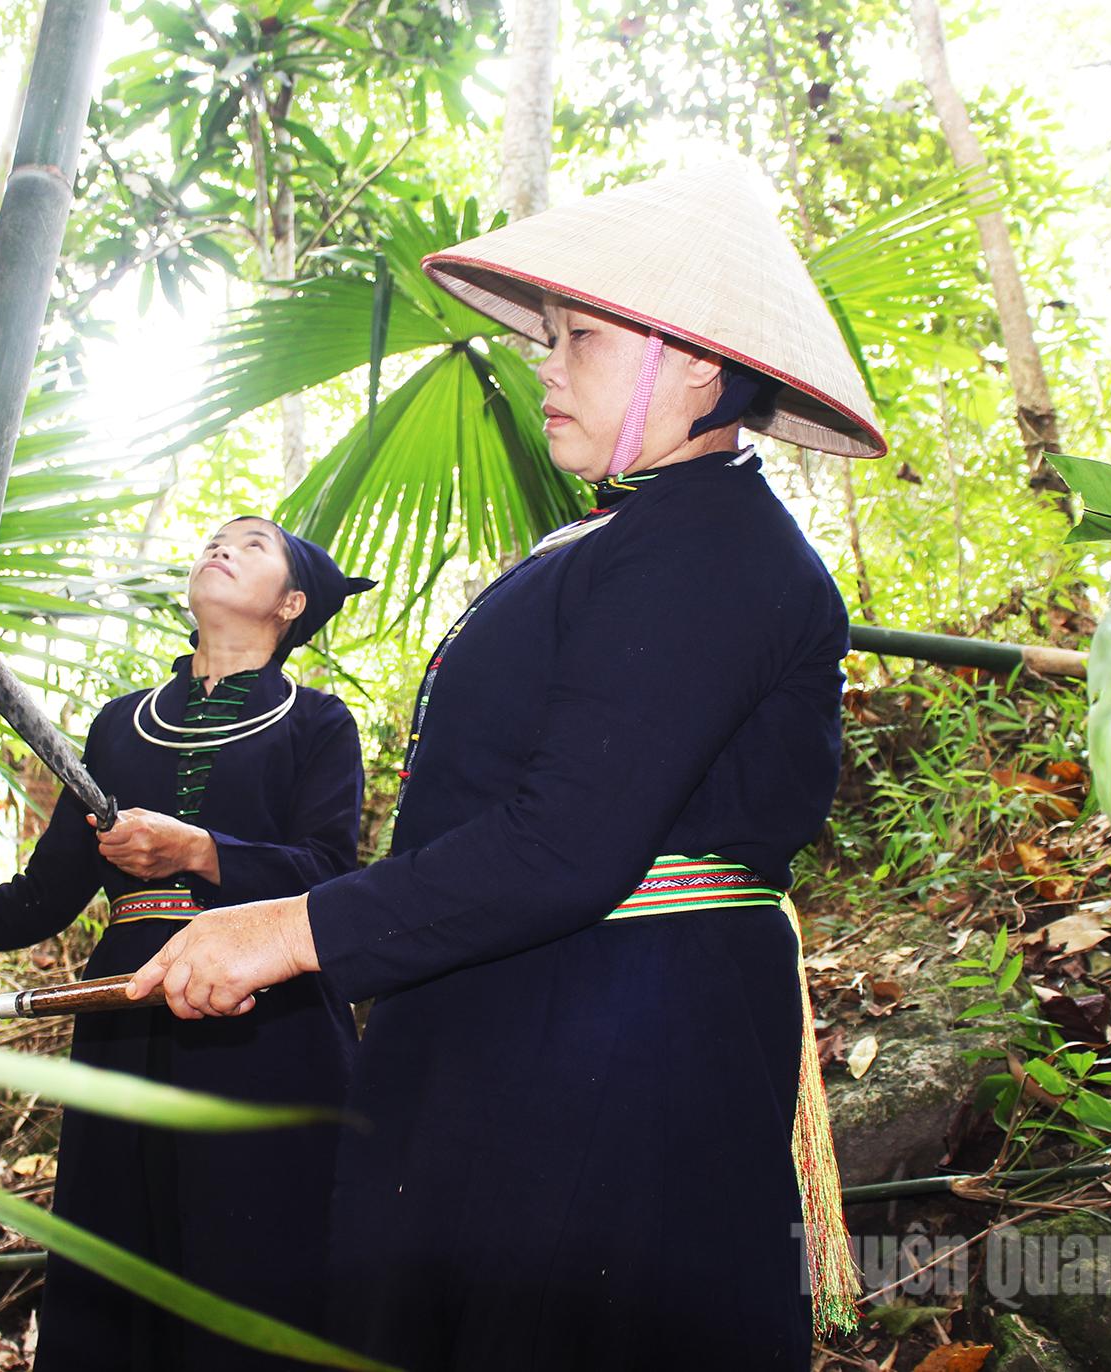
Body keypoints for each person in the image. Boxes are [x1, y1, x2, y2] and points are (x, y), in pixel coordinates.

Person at [121, 163, 885, 1370]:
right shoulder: (624, 535)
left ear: (692, 359)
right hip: (525, 1021)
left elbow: (565, 841)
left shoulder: (718, 548)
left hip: (611, 1044)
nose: (544, 359)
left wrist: (282, 931)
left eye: (578, 335)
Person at [0, 516, 374, 1370]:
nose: (221, 546)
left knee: (258, 1264)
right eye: (216, 536)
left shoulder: (318, 724)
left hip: (267, 1021)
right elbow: (40, 899)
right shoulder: (121, 725)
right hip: (125, 1020)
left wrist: (196, 849)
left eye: (254, 545)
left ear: (292, 603)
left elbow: (328, 874)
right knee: (116, 1266)